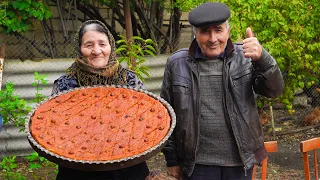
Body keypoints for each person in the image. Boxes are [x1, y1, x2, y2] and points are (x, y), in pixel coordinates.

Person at [160, 2, 284, 180]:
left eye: (218, 30)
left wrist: (263, 59)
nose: (212, 39)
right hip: (196, 165)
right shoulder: (177, 63)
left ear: (228, 31)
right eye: (205, 32)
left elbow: (275, 91)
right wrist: (171, 160)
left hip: (239, 162)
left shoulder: (246, 57)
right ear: (195, 34)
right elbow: (167, 114)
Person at [52, 20, 149, 180]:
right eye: (89, 45)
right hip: (79, 170)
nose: (97, 51)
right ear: (79, 49)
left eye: (102, 44)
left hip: (127, 168)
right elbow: (55, 128)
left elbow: (144, 121)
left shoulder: (129, 80)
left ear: (110, 45)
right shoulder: (65, 84)